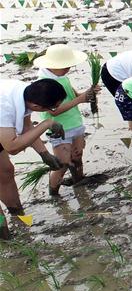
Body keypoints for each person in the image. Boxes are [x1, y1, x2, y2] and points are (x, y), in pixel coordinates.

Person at [0, 78, 68, 235]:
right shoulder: (5, 106)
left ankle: (18, 216)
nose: (55, 110)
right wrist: (46, 124)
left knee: (5, 171)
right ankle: (5, 240)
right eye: (53, 107)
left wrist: (44, 154)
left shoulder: (27, 92)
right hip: (4, 134)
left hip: (2, 132)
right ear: (37, 106)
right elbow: (12, 147)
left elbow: (26, 127)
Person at [31, 45, 100, 196]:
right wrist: (80, 100)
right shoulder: (44, 84)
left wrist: (88, 94)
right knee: (61, 165)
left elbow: (75, 97)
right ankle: (54, 193)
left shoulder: (62, 77)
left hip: (75, 124)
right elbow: (53, 111)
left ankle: (79, 182)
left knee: (77, 157)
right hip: (59, 130)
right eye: (65, 65)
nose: (68, 68)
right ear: (53, 65)